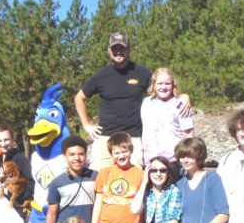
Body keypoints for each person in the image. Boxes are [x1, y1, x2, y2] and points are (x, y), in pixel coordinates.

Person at [75, 32, 191, 170]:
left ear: (129, 49)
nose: (118, 52)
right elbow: (79, 98)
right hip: (105, 137)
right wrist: (86, 124)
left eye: (122, 48)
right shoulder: (101, 75)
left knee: (134, 181)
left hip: (134, 138)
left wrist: (184, 96)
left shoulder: (141, 72)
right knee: (99, 179)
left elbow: (162, 86)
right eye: (114, 48)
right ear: (109, 51)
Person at [89, 132, 144, 223]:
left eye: (124, 151)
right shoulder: (105, 172)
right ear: (111, 154)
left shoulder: (140, 174)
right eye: (116, 152)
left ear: (131, 151)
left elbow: (142, 213)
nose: (121, 156)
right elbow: (98, 205)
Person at [44, 136, 98, 223]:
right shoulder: (56, 183)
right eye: (72, 154)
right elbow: (51, 215)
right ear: (65, 157)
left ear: (85, 155)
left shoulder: (96, 177)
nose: (77, 158)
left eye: (81, 154)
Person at [141, 67, 193, 167]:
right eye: (160, 83)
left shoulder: (181, 103)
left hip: (173, 159)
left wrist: (189, 157)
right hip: (150, 160)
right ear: (154, 84)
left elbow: (188, 134)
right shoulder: (146, 102)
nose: (163, 87)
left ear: (173, 84)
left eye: (167, 84)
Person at [0, 125, 34, 213]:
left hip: (16, 208)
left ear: (12, 139)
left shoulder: (20, 159)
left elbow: (31, 184)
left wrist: (14, 194)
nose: (3, 144)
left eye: (6, 140)